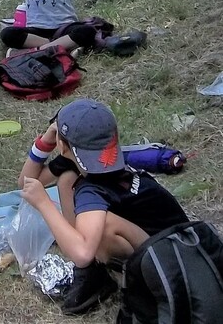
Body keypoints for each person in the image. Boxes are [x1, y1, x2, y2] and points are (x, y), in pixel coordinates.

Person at [19, 99, 190, 315]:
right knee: (67, 179)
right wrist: (45, 141)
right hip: (178, 244)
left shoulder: (92, 190)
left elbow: (82, 253)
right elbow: (26, 181)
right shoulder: (101, 161)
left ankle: (120, 280)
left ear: (61, 146)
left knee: (102, 228)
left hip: (171, 266)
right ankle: (91, 270)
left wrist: (44, 204)